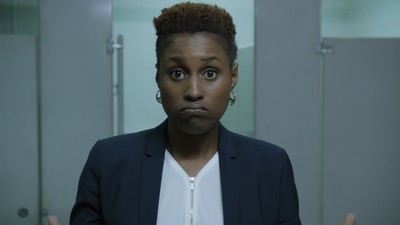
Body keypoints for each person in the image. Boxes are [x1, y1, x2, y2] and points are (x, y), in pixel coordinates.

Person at [48, 2, 356, 225]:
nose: (194, 90)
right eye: (178, 72)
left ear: (232, 76)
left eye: (210, 72)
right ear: (159, 76)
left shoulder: (269, 167)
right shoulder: (110, 161)